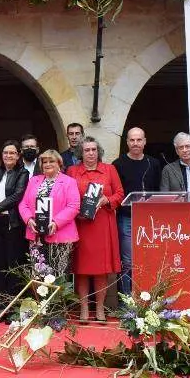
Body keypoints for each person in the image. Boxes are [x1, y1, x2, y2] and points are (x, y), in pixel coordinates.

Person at [67, 136, 123, 322]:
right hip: (81, 224)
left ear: (98, 152)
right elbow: (66, 195)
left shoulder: (110, 169)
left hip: (103, 223)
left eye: (94, 150)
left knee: (101, 269)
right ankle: (84, 308)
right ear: (80, 153)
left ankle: (99, 309)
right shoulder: (72, 171)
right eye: (86, 150)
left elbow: (120, 194)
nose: (91, 153)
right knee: (81, 268)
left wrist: (107, 200)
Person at [159, 132, 190, 309]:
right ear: (176, 150)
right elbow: (165, 196)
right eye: (181, 147)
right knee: (175, 267)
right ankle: (176, 305)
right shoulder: (168, 170)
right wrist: (180, 216)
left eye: (188, 146)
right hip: (175, 228)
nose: (185, 150)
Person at [112, 127, 161, 296]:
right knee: (128, 261)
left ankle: (148, 298)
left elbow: (158, 191)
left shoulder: (153, 164)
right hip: (126, 218)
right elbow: (116, 193)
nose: (135, 143)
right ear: (127, 142)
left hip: (149, 220)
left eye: (139, 140)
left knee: (148, 258)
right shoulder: (117, 164)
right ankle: (127, 300)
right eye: (132, 140)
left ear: (145, 142)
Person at [18, 149, 81, 275]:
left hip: (60, 236)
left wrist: (56, 222)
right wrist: (29, 219)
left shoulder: (69, 182)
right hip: (36, 236)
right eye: (44, 162)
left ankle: (57, 297)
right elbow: (23, 203)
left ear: (59, 163)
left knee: (59, 277)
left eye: (51, 161)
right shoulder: (34, 180)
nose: (47, 164)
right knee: (39, 277)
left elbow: (74, 206)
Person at [0, 140, 30, 300]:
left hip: (12, 224)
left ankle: (12, 306)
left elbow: (17, 196)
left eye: (12, 153)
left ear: (18, 156)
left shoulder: (23, 173)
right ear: (1, 155)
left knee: (13, 265)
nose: (8, 155)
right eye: (5, 153)